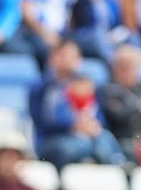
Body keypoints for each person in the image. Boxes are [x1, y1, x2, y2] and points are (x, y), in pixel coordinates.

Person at [34, 38, 123, 167]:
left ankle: (119, 167)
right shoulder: (45, 88)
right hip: (54, 139)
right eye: (64, 55)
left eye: (73, 56)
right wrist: (73, 125)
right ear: (52, 58)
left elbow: (99, 117)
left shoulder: (87, 84)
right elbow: (44, 120)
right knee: (79, 146)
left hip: (87, 136)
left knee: (105, 138)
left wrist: (93, 125)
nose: (68, 60)